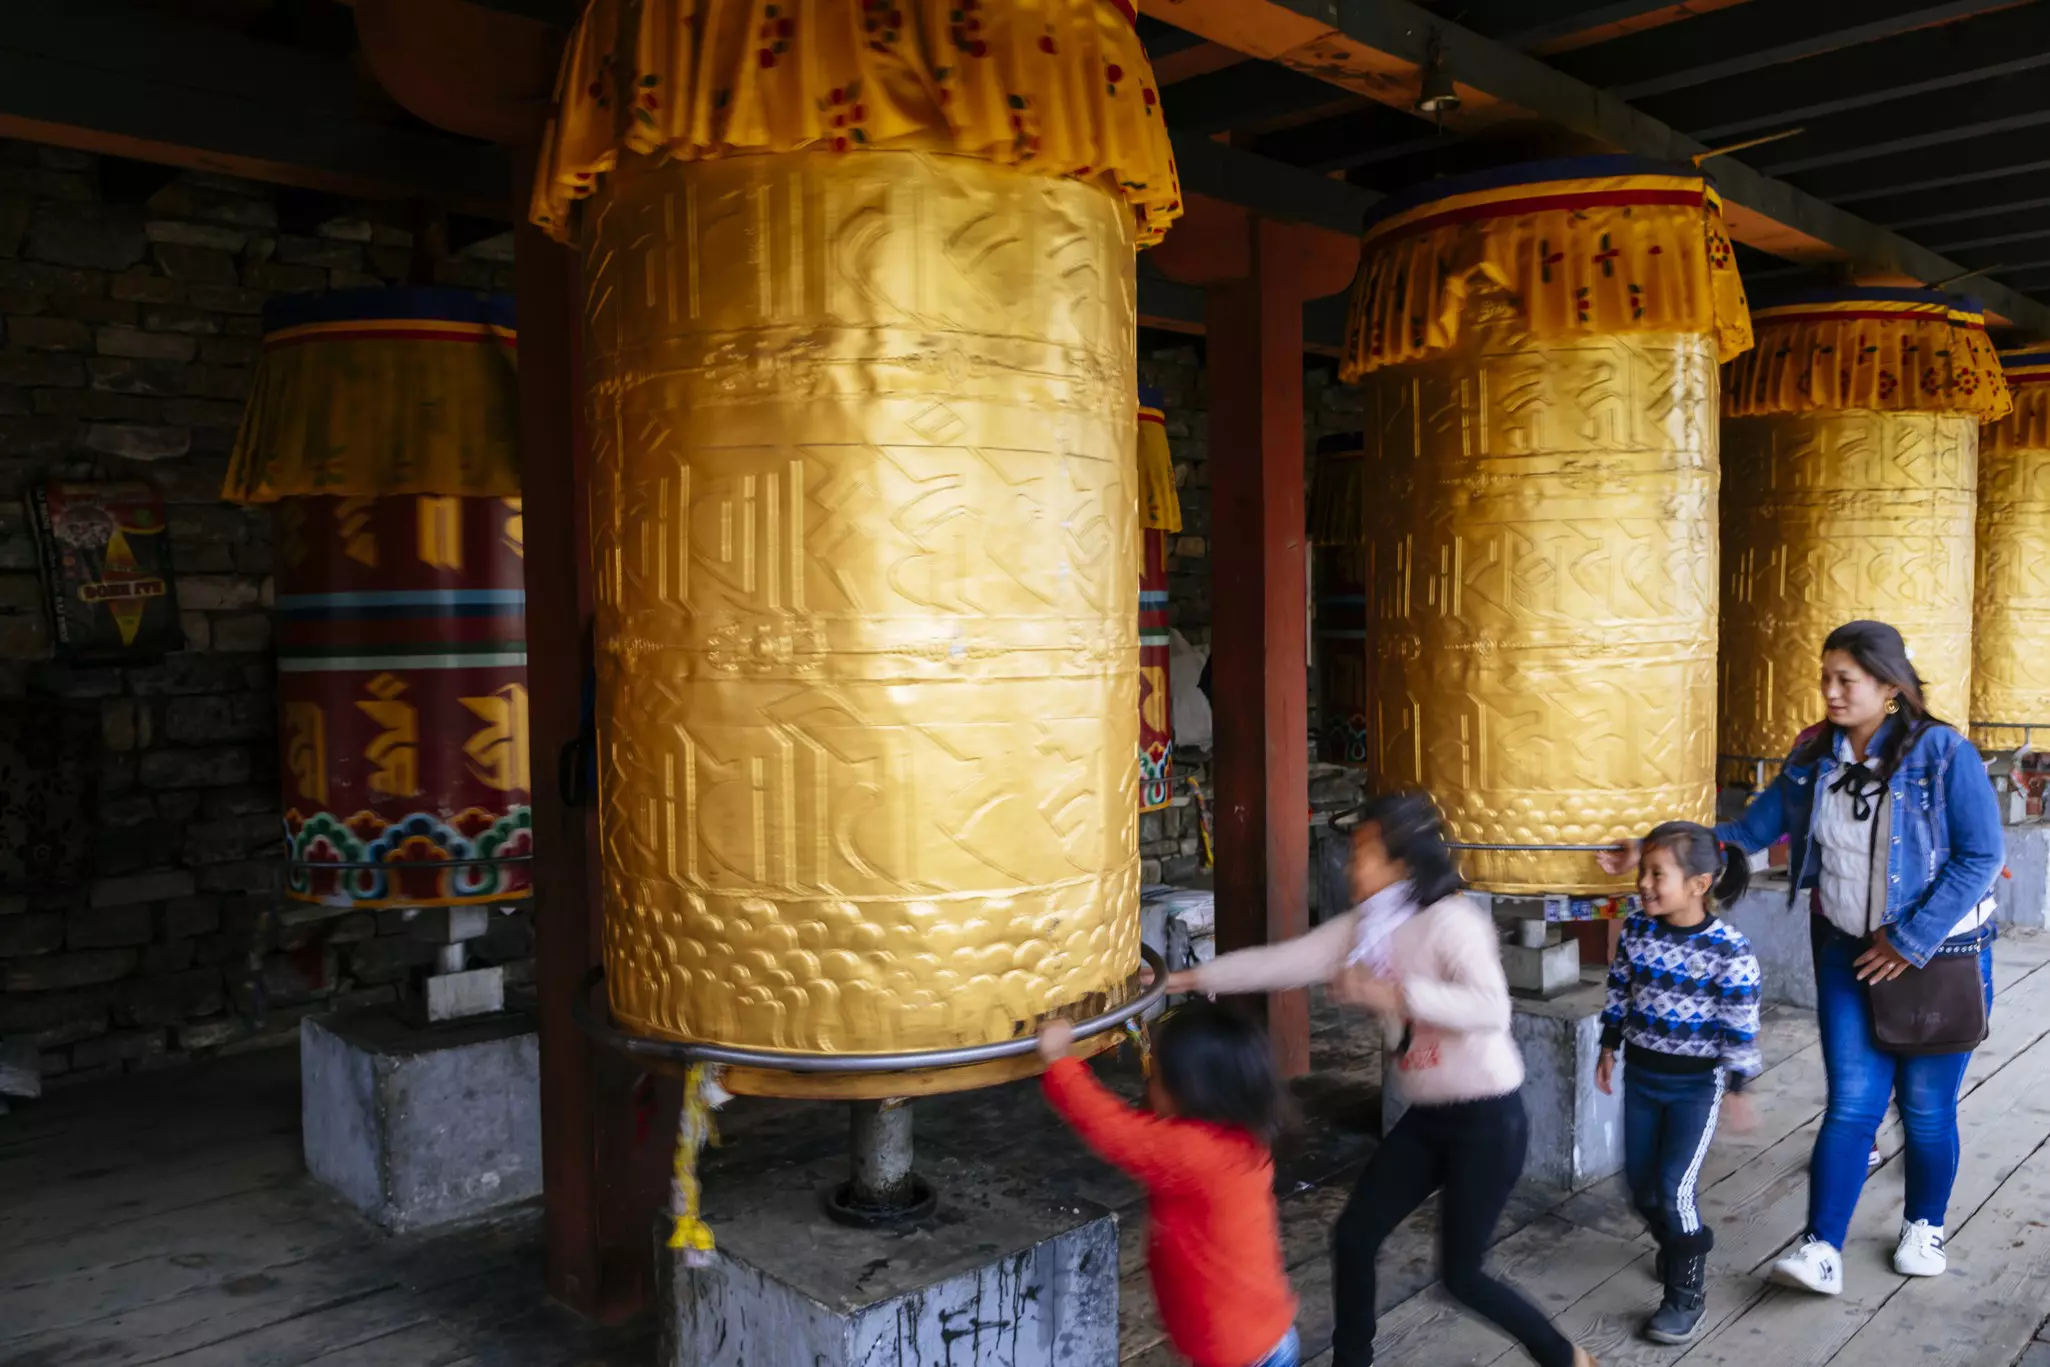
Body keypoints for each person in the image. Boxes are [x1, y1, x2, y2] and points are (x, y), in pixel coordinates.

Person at [1600, 620, 2002, 1295]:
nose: (1831, 691)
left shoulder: (1943, 754)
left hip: (1939, 956)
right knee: (1851, 1102)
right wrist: (1651, 849)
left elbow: (1981, 855)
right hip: (1846, 948)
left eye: (1846, 678)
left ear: (1889, 684)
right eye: (1825, 678)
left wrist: (1909, 938)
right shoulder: (1814, 755)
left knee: (1928, 1106)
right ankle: (1821, 1246)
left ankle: (1924, 1223)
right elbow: (1746, 833)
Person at [1163, 791, 1596, 1367]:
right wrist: (1188, 979)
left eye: (1362, 853)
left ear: (1403, 862)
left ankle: (1564, 1357)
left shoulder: (1452, 922)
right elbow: (1284, 961)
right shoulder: (1367, 929)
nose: (1349, 866)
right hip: (1428, 1120)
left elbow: (1491, 1009)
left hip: (1487, 1119)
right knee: (1354, 1236)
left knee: (1462, 1276)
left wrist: (1392, 993)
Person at [1038, 1002, 1300, 1367]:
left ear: (1190, 1091)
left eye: (1155, 1076)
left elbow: (1113, 1131)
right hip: (1259, 1337)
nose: (1147, 1081)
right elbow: (1155, 1131)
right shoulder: (1239, 1134)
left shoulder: (1194, 1154)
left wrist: (1060, 1061)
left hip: (1239, 1354)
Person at [1596, 822, 1763, 1344]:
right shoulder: (1637, 930)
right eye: (1642, 871)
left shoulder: (1729, 950)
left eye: (1656, 873)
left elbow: (1741, 1021)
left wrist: (1738, 1085)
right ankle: (1681, 1243)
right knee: (1640, 1188)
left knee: (1674, 1189)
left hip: (1696, 1088)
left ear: (1698, 883)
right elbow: (1620, 986)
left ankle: (1684, 1293)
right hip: (1642, 1079)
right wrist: (1609, 1044)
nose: (1643, 883)